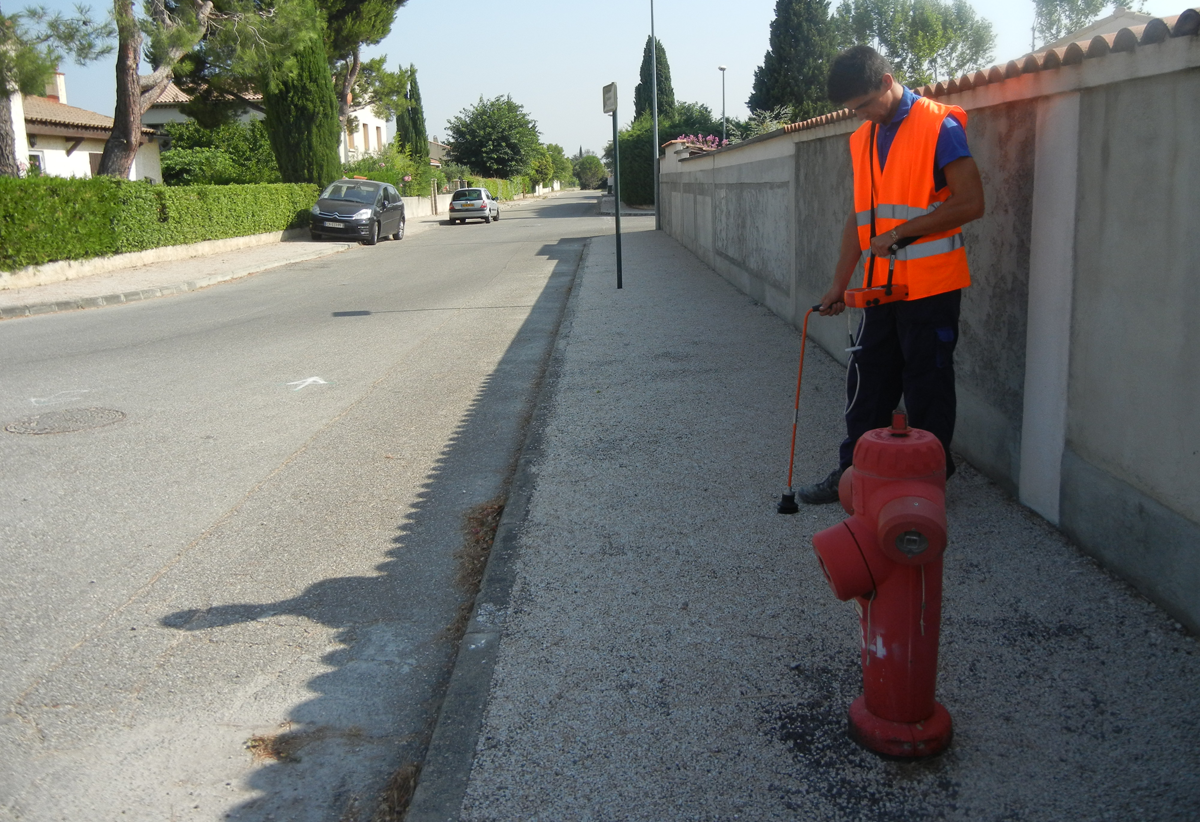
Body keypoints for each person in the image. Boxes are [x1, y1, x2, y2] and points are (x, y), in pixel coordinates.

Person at [798, 45, 985, 505]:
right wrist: (838, 284)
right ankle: (854, 473)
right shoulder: (862, 139)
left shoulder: (939, 125)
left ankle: (927, 484)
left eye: (863, 104)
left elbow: (971, 203)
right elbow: (859, 219)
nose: (860, 115)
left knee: (928, 388)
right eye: (851, 109)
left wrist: (902, 233)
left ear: (885, 81)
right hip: (879, 290)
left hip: (932, 289)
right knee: (868, 382)